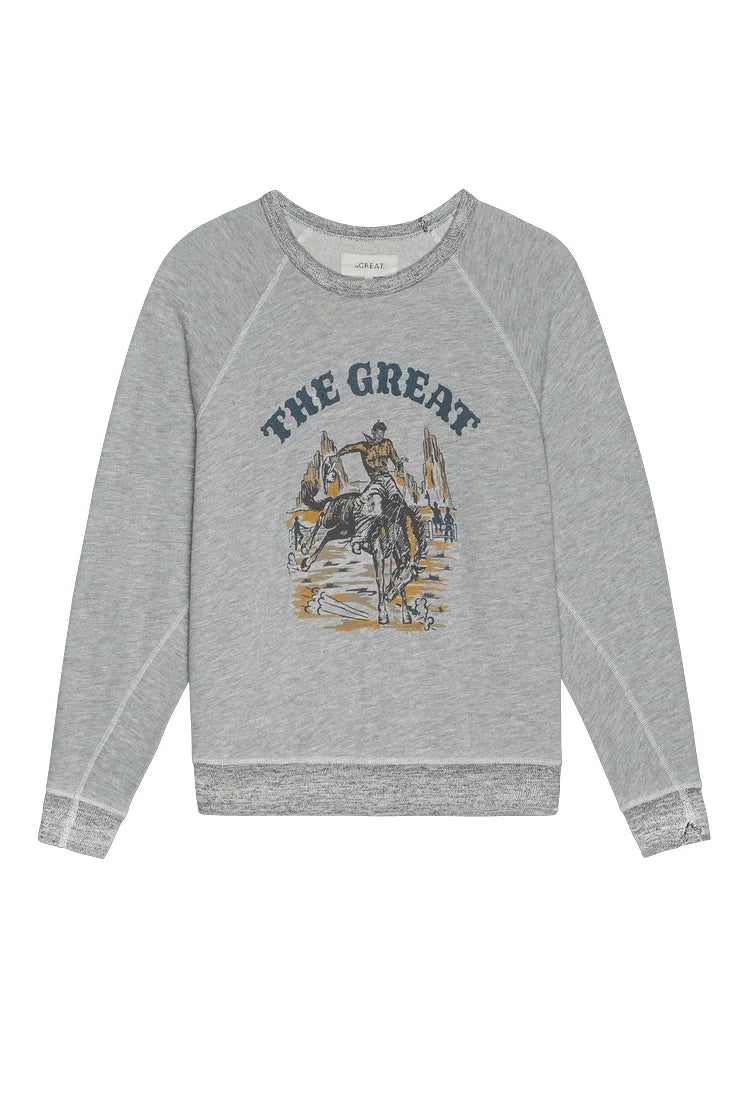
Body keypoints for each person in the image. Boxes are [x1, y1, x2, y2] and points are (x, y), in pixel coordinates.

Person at [326, 421, 404, 554]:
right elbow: (349, 448)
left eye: (382, 434)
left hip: (388, 480)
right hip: (376, 482)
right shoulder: (364, 446)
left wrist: (400, 467)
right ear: (373, 432)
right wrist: (337, 456)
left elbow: (396, 459)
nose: (380, 437)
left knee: (399, 502)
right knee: (366, 505)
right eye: (378, 434)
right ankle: (358, 539)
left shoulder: (387, 444)